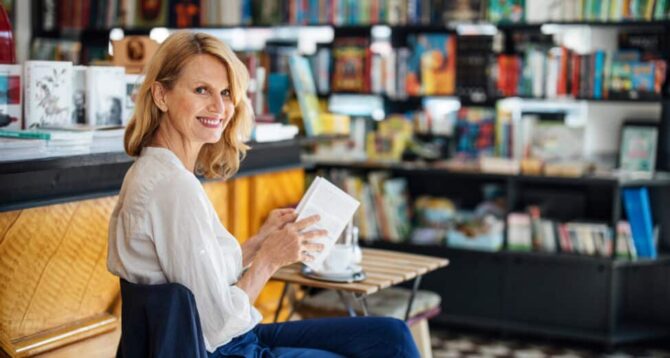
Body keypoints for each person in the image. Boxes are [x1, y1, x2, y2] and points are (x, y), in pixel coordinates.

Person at [107, 31, 419, 358]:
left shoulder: (157, 171)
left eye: (226, 93)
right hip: (221, 349)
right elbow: (213, 327)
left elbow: (198, 277)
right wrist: (269, 260)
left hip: (226, 339)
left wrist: (258, 243)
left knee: (392, 336)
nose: (219, 106)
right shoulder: (173, 187)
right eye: (202, 90)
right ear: (161, 95)